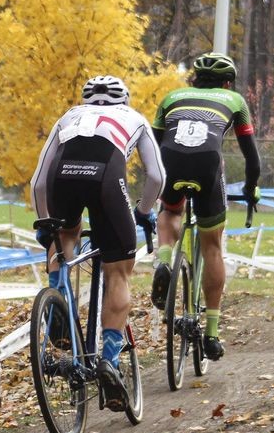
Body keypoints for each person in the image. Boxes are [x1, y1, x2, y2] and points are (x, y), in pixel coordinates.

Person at [29, 75, 164, 411]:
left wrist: (46, 222)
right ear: (125, 100)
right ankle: (109, 362)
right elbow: (157, 176)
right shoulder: (135, 118)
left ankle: (58, 305)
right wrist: (144, 211)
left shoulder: (69, 116)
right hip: (106, 177)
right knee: (119, 271)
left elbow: (38, 181)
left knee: (64, 239)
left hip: (63, 176)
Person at [149, 52, 261, 360]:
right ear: (227, 82)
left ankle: (165, 261)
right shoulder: (234, 100)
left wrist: (155, 183)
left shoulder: (172, 97)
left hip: (169, 159)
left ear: (195, 79)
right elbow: (251, 157)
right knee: (212, 245)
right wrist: (251, 190)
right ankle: (211, 332)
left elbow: (154, 145)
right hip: (208, 164)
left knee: (170, 211)